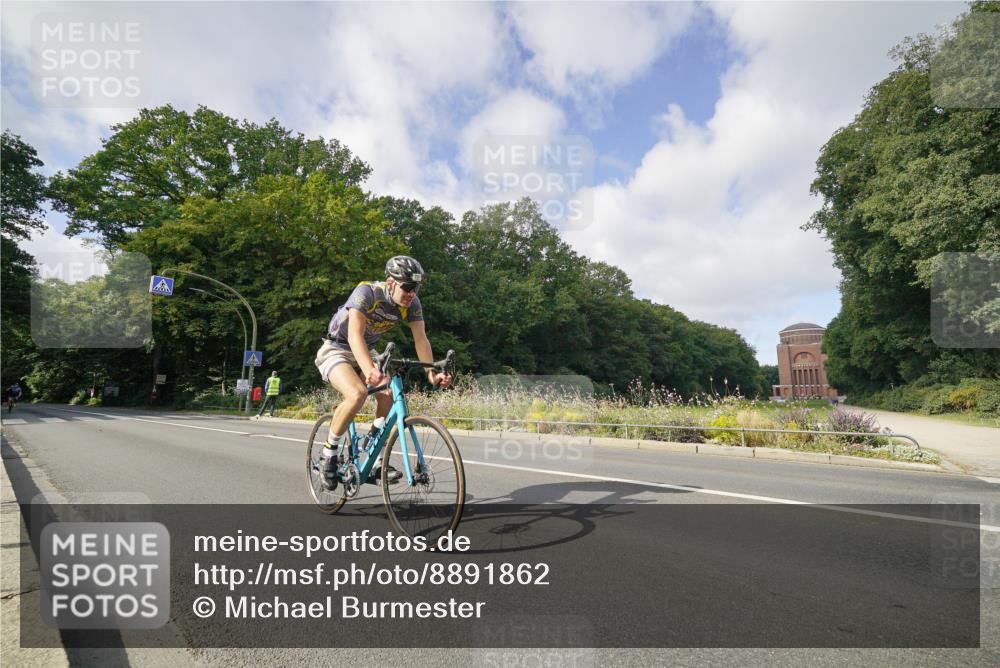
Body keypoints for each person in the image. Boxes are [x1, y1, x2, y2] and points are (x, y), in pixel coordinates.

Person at [314, 256, 452, 490]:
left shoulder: (412, 304)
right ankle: (329, 452)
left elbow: (421, 339)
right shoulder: (367, 292)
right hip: (337, 348)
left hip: (367, 350)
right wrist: (369, 370)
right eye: (407, 287)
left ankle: (374, 449)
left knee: (388, 394)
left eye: (416, 288)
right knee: (357, 394)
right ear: (390, 283)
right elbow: (354, 334)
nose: (412, 293)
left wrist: (431, 373)